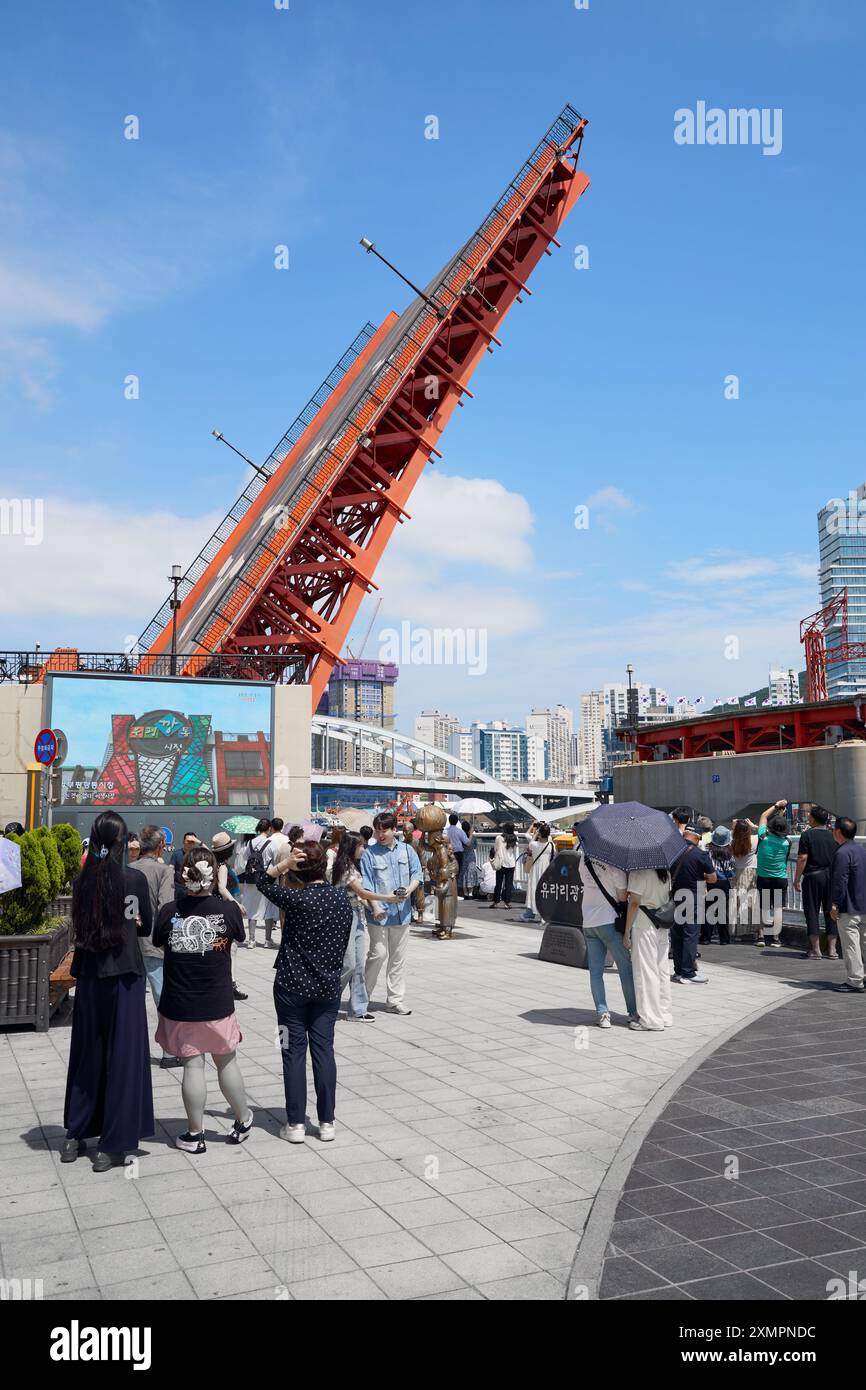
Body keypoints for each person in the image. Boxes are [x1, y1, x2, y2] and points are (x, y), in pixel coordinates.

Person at [62, 811, 154, 1171]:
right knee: (124, 1057)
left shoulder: (81, 882)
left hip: (89, 976)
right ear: (123, 842)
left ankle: (76, 1133)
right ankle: (112, 1144)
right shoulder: (133, 879)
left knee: (88, 1052)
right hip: (125, 974)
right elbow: (143, 926)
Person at [251, 839, 352, 1141]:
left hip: (290, 986)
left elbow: (261, 882)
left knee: (291, 1050)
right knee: (324, 1051)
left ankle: (295, 1122)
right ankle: (327, 1122)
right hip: (327, 986)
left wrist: (284, 864)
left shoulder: (296, 899)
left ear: (300, 869)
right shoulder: (341, 900)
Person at [153, 847, 252, 1152]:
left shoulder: (169, 912)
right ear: (213, 875)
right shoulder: (228, 910)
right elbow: (240, 936)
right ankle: (243, 1118)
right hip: (217, 1000)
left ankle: (195, 1134)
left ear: (184, 875)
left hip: (180, 1001)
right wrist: (225, 892)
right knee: (226, 1061)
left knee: (193, 1066)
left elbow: (157, 940)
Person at [361, 812, 422, 1015]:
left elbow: (417, 874)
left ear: (393, 829)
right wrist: (375, 907)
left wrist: (409, 891)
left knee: (398, 958)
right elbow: (367, 885)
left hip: (402, 913)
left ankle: (395, 1000)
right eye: (377, 830)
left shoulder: (407, 850)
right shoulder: (369, 854)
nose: (380, 834)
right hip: (378, 914)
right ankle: (362, 998)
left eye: (384, 830)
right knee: (378, 954)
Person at [329, 832, 391, 1022]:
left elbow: (359, 897)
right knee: (348, 964)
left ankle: (357, 1009)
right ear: (352, 847)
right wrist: (388, 898)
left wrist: (374, 909)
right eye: (361, 846)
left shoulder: (354, 866)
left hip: (356, 917)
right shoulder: (345, 868)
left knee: (358, 966)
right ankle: (325, 1001)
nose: (364, 849)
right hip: (343, 919)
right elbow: (362, 891)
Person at [575, 843, 637, 1028]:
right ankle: (633, 1012)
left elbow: (584, 882)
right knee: (625, 967)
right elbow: (622, 897)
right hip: (609, 921)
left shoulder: (583, 859)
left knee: (595, 971)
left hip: (588, 921)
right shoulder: (614, 864)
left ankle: (603, 1014)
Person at [134, 824, 181, 1069]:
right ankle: (169, 1051)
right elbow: (166, 907)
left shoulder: (128, 869)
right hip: (155, 942)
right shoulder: (164, 871)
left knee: (133, 1000)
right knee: (163, 997)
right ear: (161, 845)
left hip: (130, 944)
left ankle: (131, 1049)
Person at [624, 866, 673, 1031]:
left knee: (645, 971)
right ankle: (664, 1014)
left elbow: (634, 903)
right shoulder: (665, 872)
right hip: (662, 922)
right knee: (662, 970)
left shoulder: (639, 872)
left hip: (644, 924)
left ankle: (650, 1019)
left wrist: (626, 931)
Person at [670, 824, 716, 982]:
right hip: (692, 898)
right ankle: (688, 973)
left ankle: (678, 971)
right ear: (697, 837)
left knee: (676, 935)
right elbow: (712, 878)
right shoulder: (700, 854)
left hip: (674, 897)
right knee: (690, 934)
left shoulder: (671, 851)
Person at [794, 805, 840, 960]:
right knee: (831, 912)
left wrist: (796, 879)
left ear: (812, 818)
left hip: (813, 877)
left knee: (812, 911)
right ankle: (833, 951)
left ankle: (815, 950)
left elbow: (802, 858)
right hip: (831, 877)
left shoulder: (807, 835)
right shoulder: (833, 835)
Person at [830, 816, 866, 993]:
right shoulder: (861, 850)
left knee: (851, 945)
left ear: (838, 832)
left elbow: (840, 881)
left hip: (849, 908)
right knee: (865, 943)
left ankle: (855, 980)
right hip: (863, 905)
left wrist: (835, 904)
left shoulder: (841, 853)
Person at [212, 831, 249, 1001]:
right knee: (230, 947)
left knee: (222, 946)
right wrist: (236, 903)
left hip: (215, 909)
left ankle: (225, 983)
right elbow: (221, 887)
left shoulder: (214, 864)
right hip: (224, 909)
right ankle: (231, 984)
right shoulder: (223, 867)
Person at [756, 799, 791, 948]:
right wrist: (781, 815)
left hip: (764, 878)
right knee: (777, 908)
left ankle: (761, 936)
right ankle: (776, 938)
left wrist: (777, 806)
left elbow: (763, 816)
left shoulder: (763, 838)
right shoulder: (787, 843)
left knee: (764, 907)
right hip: (780, 879)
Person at [701, 827, 735, 945]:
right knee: (722, 911)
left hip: (711, 882)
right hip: (724, 883)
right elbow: (731, 871)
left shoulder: (708, 851)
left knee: (709, 910)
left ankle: (706, 937)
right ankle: (724, 938)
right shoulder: (730, 852)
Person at [241, 818, 271, 946]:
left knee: (252, 909)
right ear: (269, 828)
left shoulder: (250, 843)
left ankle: (251, 940)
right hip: (266, 879)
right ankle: (267, 940)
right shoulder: (271, 843)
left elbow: (244, 858)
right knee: (268, 908)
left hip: (252, 879)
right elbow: (274, 860)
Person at [262, 818, 290, 948]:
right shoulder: (286, 839)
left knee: (272, 900)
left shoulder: (269, 840)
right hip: (286, 873)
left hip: (272, 872)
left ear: (271, 827)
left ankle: (272, 922)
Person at [520, 822, 555, 922]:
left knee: (534, 890)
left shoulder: (534, 845)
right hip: (547, 870)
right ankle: (544, 915)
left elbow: (530, 844)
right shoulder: (551, 845)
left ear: (539, 833)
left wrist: (536, 832)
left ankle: (531, 912)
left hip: (535, 869)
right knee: (545, 892)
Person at [731, 818, 759, 937]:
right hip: (751, 872)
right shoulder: (754, 840)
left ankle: (739, 932)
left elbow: (729, 834)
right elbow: (766, 832)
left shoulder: (732, 842)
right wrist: (753, 826)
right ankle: (753, 931)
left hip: (737, 873)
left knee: (738, 903)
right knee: (751, 902)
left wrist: (734, 825)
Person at [488, 822, 519, 908]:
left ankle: (496, 902)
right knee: (508, 884)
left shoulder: (499, 838)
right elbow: (514, 850)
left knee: (499, 883)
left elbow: (495, 849)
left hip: (501, 863)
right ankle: (507, 903)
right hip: (511, 863)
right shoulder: (514, 838)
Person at [171, 831, 200, 898]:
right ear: (183, 841)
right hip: (178, 887)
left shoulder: (197, 855)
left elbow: (210, 855)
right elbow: (171, 868)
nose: (190, 843)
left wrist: (199, 842)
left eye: (192, 841)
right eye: (188, 841)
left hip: (194, 888)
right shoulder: (176, 853)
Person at [458, 819, 479, 899]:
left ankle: (465, 892)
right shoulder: (472, 837)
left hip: (463, 855)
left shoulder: (461, 836)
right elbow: (475, 846)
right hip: (471, 856)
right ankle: (470, 892)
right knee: (471, 872)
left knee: (464, 873)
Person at [446, 813, 469, 884]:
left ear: (449, 821)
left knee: (448, 871)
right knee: (457, 872)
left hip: (448, 853)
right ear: (457, 821)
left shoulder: (445, 831)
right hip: (458, 854)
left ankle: (449, 888)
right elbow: (467, 842)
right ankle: (455, 888)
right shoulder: (460, 831)